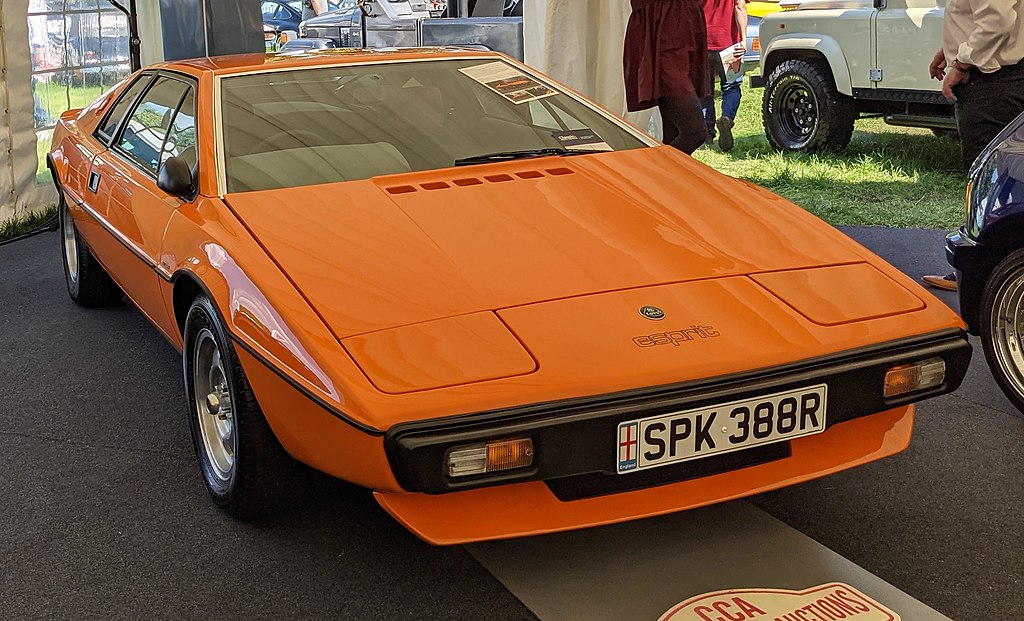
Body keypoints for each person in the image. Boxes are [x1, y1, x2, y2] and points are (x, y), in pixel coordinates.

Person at [921, 0, 1024, 291]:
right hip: (1000, 80)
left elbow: (997, 21)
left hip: (991, 85)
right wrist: (952, 48)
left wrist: (962, 60)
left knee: (990, 186)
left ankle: (985, 281)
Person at [624, 0, 712, 154]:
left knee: (673, 134)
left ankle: (665, 175)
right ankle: (655, 173)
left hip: (683, 28)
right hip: (663, 33)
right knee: (694, 132)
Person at [701, 0, 747, 151]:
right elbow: (739, 7)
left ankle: (707, 134)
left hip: (703, 43)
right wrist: (743, 40)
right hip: (729, 46)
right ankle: (727, 118)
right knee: (731, 86)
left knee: (704, 90)